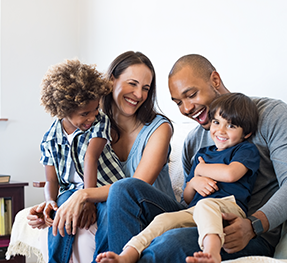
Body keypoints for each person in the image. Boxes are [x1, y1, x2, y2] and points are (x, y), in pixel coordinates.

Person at [99, 54, 287, 262]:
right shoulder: (193, 142)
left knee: (170, 243)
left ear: (215, 80)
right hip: (197, 216)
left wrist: (253, 225)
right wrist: (193, 183)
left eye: (191, 95)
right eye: (178, 103)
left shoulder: (272, 114)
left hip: (244, 231)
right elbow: (188, 201)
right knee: (123, 188)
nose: (187, 109)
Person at [27, 51, 175, 263]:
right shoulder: (91, 122)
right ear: (111, 80)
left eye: (145, 88)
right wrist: (51, 204)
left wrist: (84, 195)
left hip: (152, 210)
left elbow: (135, 187)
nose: (139, 94)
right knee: (68, 205)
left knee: (117, 195)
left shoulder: (159, 129)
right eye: (132, 84)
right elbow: (69, 172)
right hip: (115, 204)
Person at [96, 92, 260, 263]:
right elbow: (187, 197)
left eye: (231, 126)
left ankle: (212, 253)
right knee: (163, 219)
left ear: (246, 133)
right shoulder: (203, 153)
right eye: (216, 122)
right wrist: (195, 180)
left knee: (206, 204)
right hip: (194, 210)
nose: (221, 130)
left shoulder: (245, 150)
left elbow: (231, 174)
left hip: (229, 208)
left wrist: (201, 169)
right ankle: (127, 255)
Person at [39, 59, 126, 263]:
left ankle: (103, 259)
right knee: (61, 212)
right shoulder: (50, 139)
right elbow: (51, 180)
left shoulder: (99, 121)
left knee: (107, 213)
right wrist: (50, 201)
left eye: (95, 109)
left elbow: (91, 157)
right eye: (84, 113)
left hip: (106, 187)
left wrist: (88, 199)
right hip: (71, 190)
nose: (92, 116)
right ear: (63, 110)